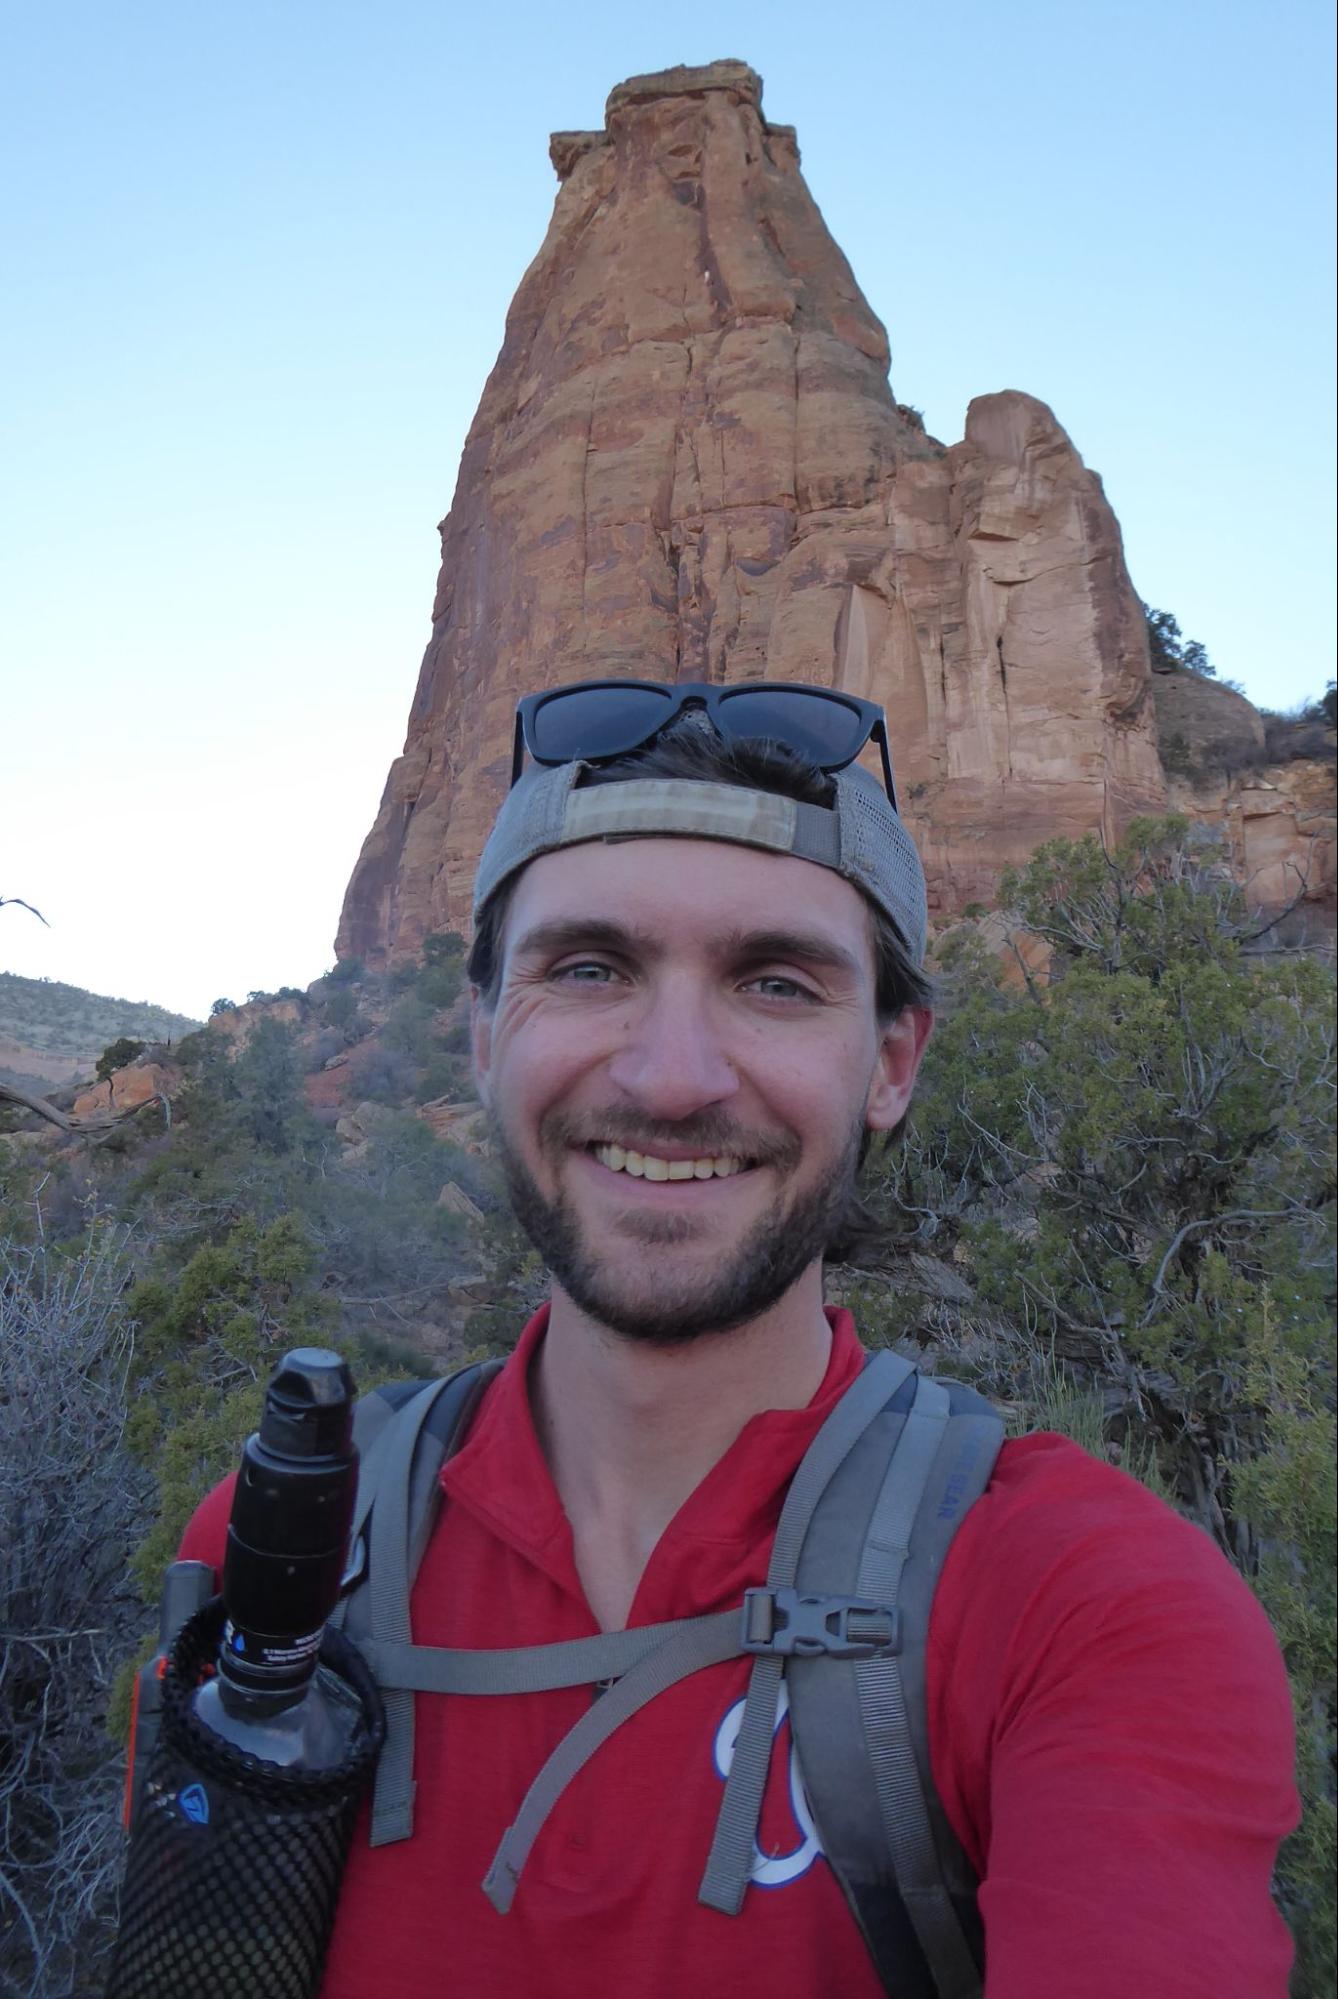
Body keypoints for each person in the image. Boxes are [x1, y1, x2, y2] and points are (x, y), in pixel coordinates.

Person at [180, 679, 1298, 1997]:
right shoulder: (282, 1554)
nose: (669, 1078)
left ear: (891, 1064)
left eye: (774, 983)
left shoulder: (1077, 1601)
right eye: (588, 969)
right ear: (481, 1035)